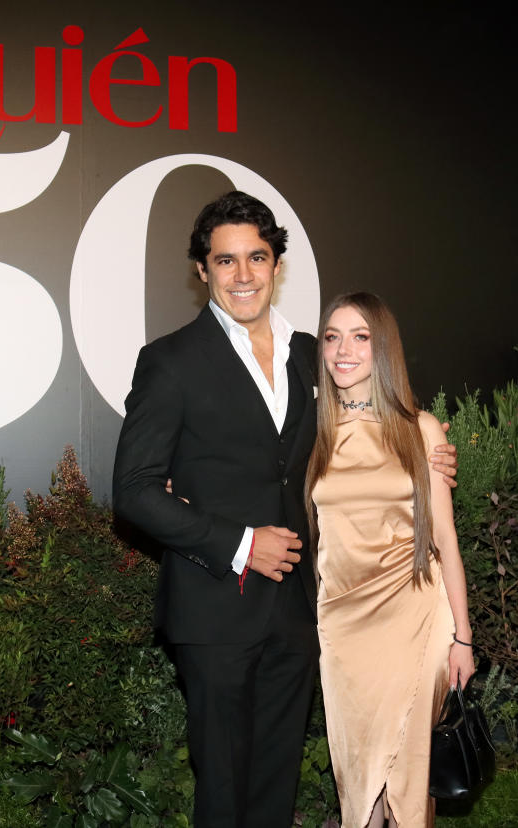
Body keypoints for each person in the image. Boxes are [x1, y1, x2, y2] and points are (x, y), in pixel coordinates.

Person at [113, 192, 457, 827]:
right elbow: (132, 489)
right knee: (221, 789)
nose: (242, 275)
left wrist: (427, 451)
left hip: (300, 610)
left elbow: (371, 423)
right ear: (202, 271)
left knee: (277, 788)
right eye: (225, 262)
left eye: (257, 258)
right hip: (213, 607)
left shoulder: (310, 356)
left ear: (276, 265)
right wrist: (241, 543)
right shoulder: (170, 362)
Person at [305, 292, 475, 828]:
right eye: (332, 337)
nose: (343, 349)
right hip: (342, 629)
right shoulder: (316, 434)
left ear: (384, 350)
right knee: (357, 777)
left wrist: (464, 638)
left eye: (360, 337)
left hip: (416, 619)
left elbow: (445, 537)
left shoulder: (418, 428)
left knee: (405, 771)